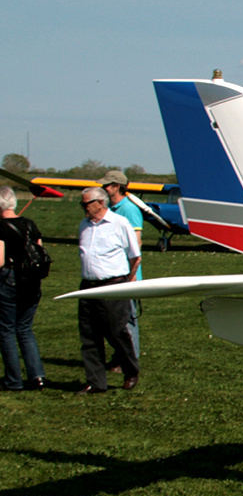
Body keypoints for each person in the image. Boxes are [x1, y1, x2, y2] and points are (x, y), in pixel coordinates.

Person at [76, 186, 140, 394]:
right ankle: (95, 382)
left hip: (113, 284)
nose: (83, 208)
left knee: (116, 331)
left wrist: (128, 281)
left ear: (100, 203)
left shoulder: (119, 223)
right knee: (89, 334)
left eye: (86, 204)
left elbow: (135, 256)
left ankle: (130, 370)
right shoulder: (84, 225)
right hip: (88, 285)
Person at [0, 186, 47, 391]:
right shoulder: (30, 224)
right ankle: (37, 376)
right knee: (25, 329)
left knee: (6, 330)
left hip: (9, 280)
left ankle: (13, 380)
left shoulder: (0, 226)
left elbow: (0, 260)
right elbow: (40, 250)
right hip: (32, 281)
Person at [99, 169, 142, 363]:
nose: (103, 188)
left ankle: (130, 358)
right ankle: (120, 356)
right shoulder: (111, 209)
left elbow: (136, 243)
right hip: (113, 272)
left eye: (107, 185)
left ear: (117, 187)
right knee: (113, 320)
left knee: (128, 320)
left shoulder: (128, 209)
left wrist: (132, 275)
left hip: (127, 273)